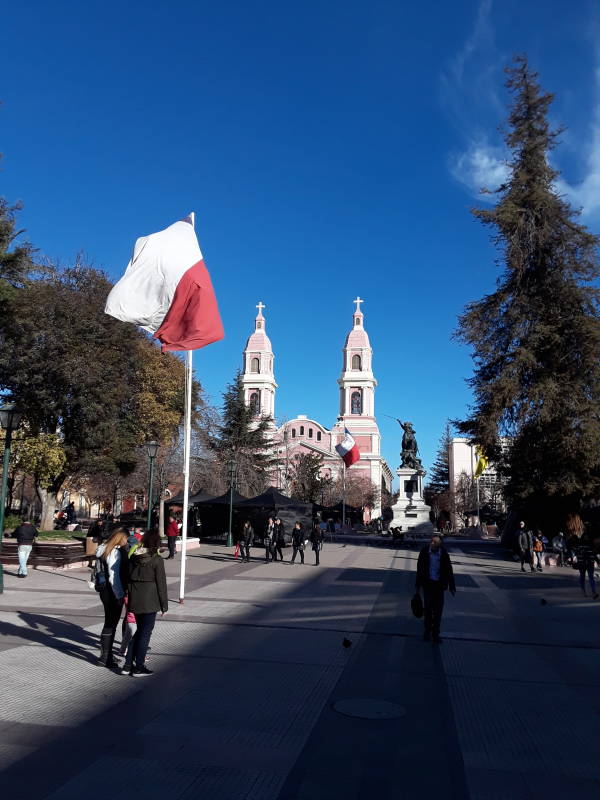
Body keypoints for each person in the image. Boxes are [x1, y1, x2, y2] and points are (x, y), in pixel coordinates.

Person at [124, 529, 168, 676]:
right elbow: (161, 584)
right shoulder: (156, 560)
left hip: (135, 598)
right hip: (150, 600)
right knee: (145, 633)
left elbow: (127, 578)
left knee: (139, 632)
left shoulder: (134, 558)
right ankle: (139, 666)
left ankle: (128, 664)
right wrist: (164, 605)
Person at [95, 528, 129, 668]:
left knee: (109, 622)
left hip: (104, 590)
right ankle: (104, 658)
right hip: (113, 592)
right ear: (120, 538)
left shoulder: (103, 549)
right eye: (126, 538)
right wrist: (120, 595)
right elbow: (114, 576)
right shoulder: (116, 552)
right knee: (111, 623)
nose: (127, 541)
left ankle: (106, 655)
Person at [415, 535, 456, 643]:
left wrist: (452, 585)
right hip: (428, 584)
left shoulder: (443, 553)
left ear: (440, 545)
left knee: (438, 611)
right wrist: (417, 586)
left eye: (435, 542)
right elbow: (419, 569)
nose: (432, 544)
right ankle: (427, 632)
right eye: (432, 541)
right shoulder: (424, 552)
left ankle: (436, 634)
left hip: (439, 585)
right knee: (428, 610)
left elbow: (449, 569)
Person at [573, 533, 599, 599]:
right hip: (582, 564)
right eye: (585, 537)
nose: (587, 538)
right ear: (583, 537)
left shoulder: (591, 544)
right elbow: (577, 553)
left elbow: (594, 554)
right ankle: (583, 591)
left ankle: (593, 592)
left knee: (591, 578)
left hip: (590, 564)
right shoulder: (580, 545)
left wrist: (598, 561)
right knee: (582, 577)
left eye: (587, 537)